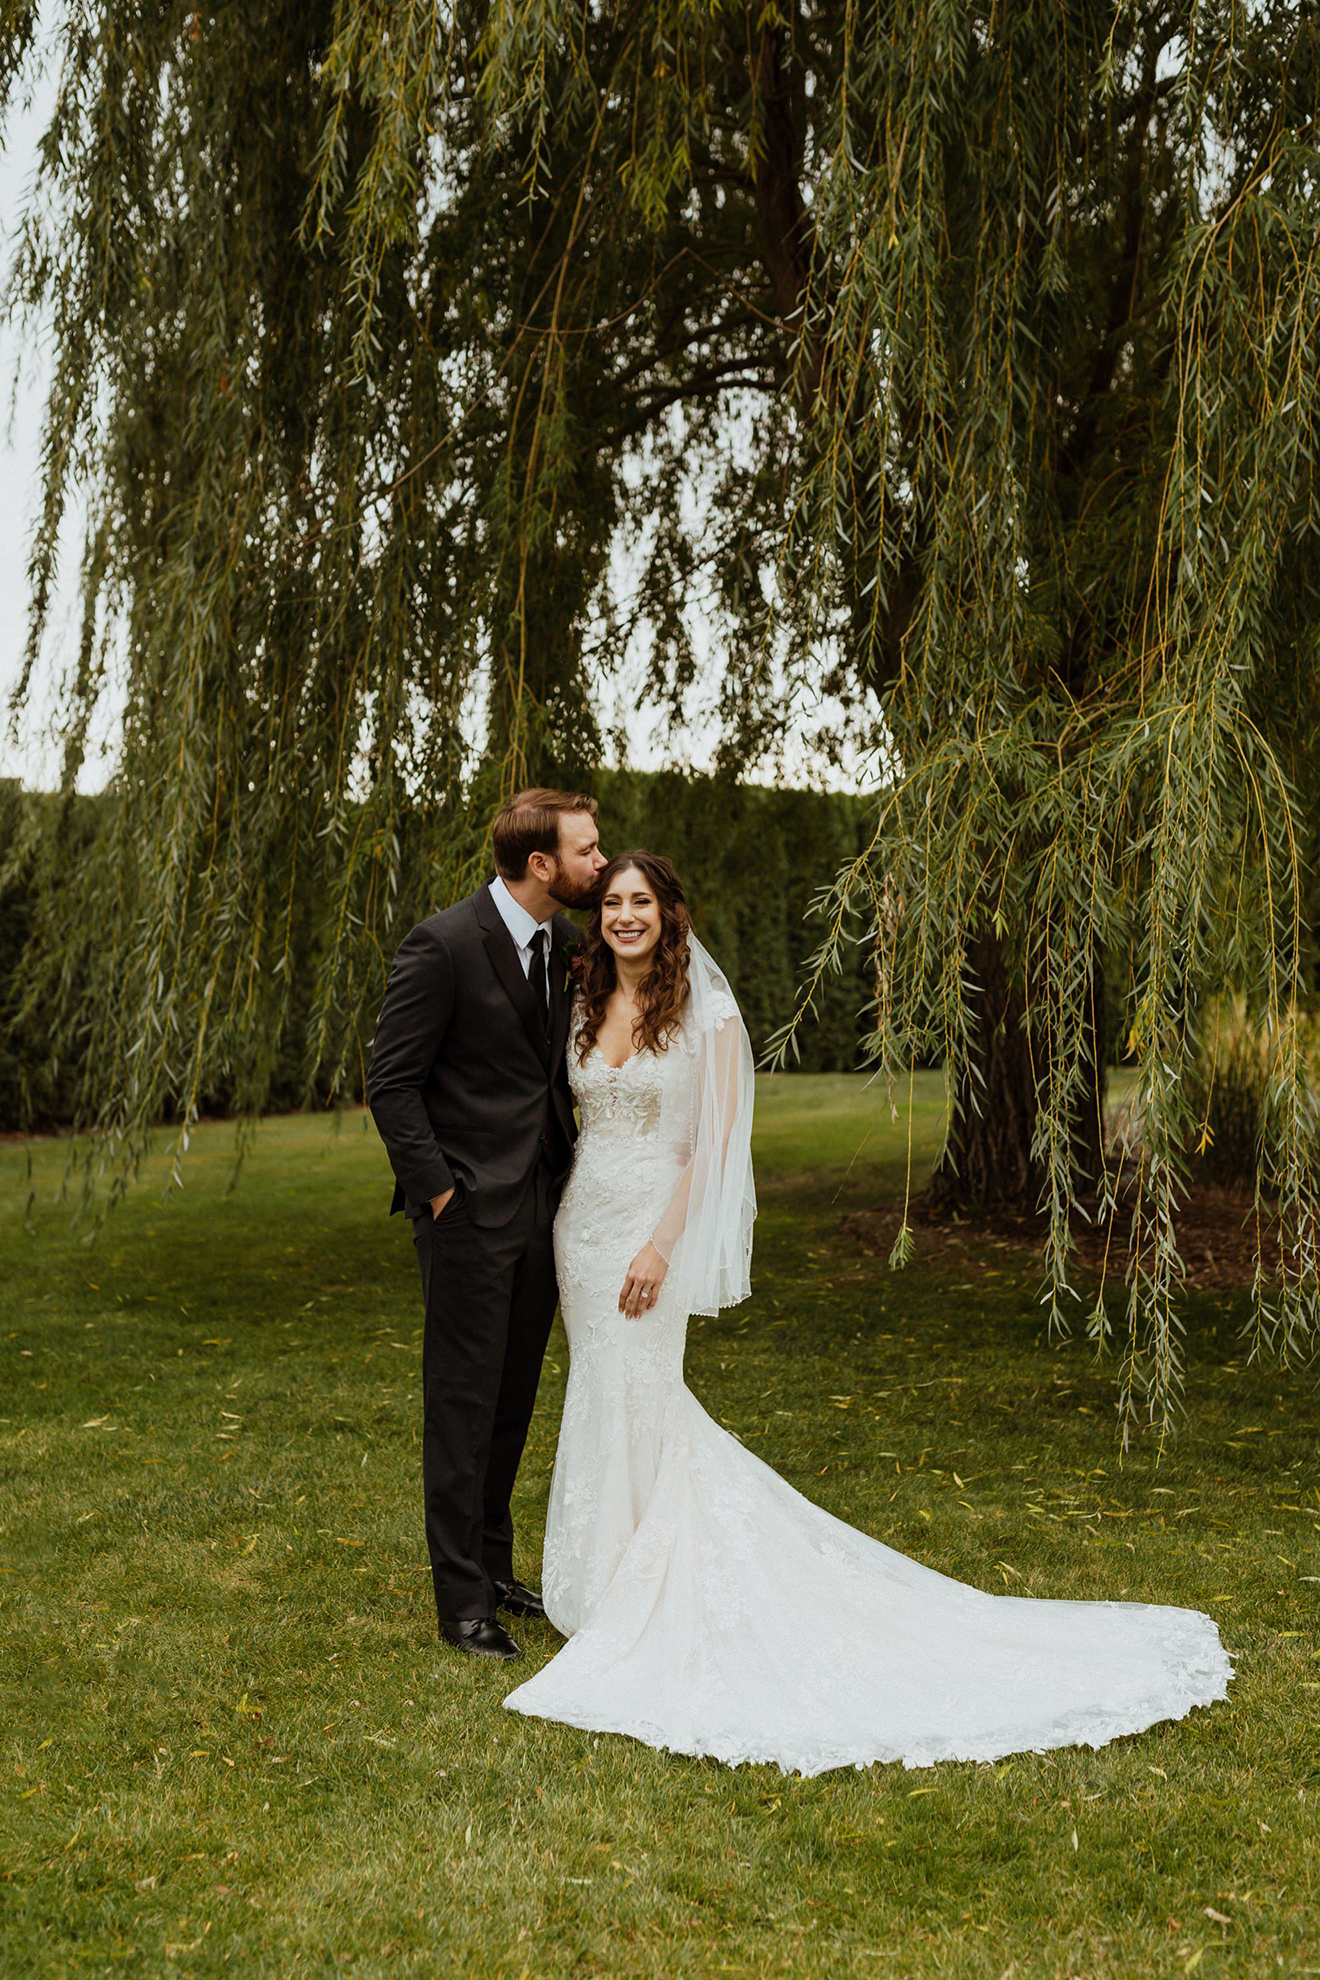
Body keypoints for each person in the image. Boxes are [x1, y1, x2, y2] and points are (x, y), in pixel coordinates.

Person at [504, 851, 1234, 1774]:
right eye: (612, 902)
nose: (624, 916)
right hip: (582, 1229)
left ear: (669, 912)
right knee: (601, 1391)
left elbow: (716, 1143)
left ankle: (651, 1582)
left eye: (640, 901)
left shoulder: (705, 1011)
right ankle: (605, 1578)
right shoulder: (582, 999)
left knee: (645, 1393)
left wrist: (661, 1245)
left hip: (651, 1228)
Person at [367, 789, 606, 1660]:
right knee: (463, 1404)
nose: (600, 862)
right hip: (467, 1213)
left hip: (543, 1203)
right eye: (586, 851)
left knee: (511, 1400)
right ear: (541, 864)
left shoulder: (565, 944)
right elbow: (390, 1084)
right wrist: (440, 1196)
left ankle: (495, 1570)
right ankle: (461, 1602)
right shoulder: (442, 946)